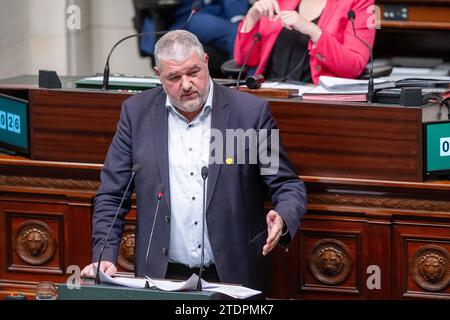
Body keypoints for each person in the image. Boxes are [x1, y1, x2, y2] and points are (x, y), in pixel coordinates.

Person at [81, 30, 307, 294]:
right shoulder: (136, 114)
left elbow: (286, 184)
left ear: (206, 62)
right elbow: (111, 194)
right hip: (161, 275)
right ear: (158, 75)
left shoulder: (248, 114)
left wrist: (282, 216)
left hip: (233, 274)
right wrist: (104, 254)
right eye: (174, 77)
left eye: (193, 72)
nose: (186, 84)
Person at [233, 0, 376, 84]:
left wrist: (313, 31)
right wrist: (251, 18)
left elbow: (353, 66)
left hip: (317, 103)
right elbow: (245, 60)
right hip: (269, 95)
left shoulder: (361, 2)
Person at [138, 0, 250, 59]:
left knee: (250, 30)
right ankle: (245, 85)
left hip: (218, 13)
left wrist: (238, 18)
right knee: (235, 35)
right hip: (182, 16)